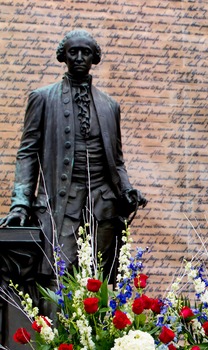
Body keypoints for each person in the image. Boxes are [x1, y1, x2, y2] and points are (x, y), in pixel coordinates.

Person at [0, 30, 146, 283]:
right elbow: (27, 154)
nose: (79, 57)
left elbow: (117, 160)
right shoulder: (42, 98)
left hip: (103, 203)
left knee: (99, 279)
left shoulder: (110, 106)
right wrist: (21, 204)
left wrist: (127, 189)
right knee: (57, 274)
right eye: (73, 52)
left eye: (86, 52)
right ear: (63, 56)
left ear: (95, 58)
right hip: (60, 201)